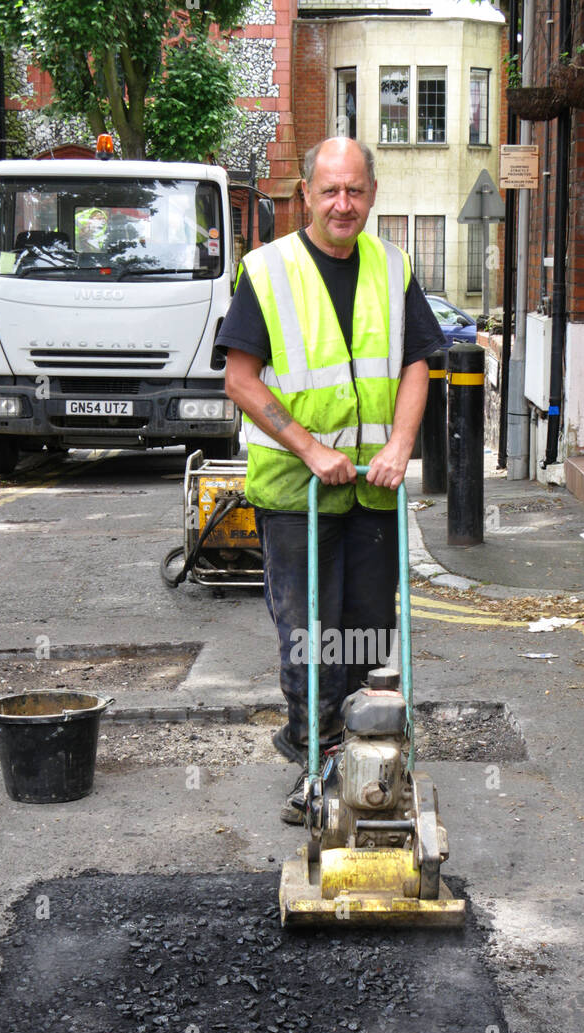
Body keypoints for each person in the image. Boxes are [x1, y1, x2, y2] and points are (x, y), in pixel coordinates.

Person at [218, 137, 445, 822]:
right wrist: (309, 447)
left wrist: (402, 443)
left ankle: (367, 763)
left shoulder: (392, 266)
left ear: (372, 195)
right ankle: (316, 764)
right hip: (299, 492)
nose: (343, 204)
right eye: (330, 191)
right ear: (306, 196)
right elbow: (239, 378)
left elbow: (417, 361)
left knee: (371, 634)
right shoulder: (267, 269)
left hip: (373, 489)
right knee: (311, 636)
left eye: (355, 191)